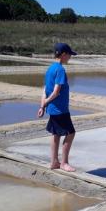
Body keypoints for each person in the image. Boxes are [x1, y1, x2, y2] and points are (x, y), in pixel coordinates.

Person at [37, 43, 77, 172]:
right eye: (69, 54)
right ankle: (64, 163)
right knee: (70, 133)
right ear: (64, 54)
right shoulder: (60, 69)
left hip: (53, 109)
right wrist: (44, 104)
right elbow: (55, 92)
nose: (70, 57)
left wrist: (42, 105)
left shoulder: (50, 68)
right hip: (60, 110)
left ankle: (54, 162)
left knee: (56, 134)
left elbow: (45, 90)